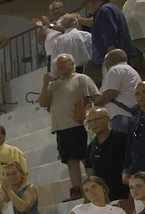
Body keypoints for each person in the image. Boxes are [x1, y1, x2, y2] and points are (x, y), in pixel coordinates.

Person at [39, 54, 101, 198]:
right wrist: (45, 84)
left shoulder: (81, 78)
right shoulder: (53, 85)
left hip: (79, 125)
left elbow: (96, 97)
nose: (60, 65)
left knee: (86, 158)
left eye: (63, 62)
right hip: (61, 127)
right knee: (71, 161)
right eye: (58, 63)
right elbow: (43, 103)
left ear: (72, 64)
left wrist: (86, 108)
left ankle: (94, 185)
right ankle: (77, 191)